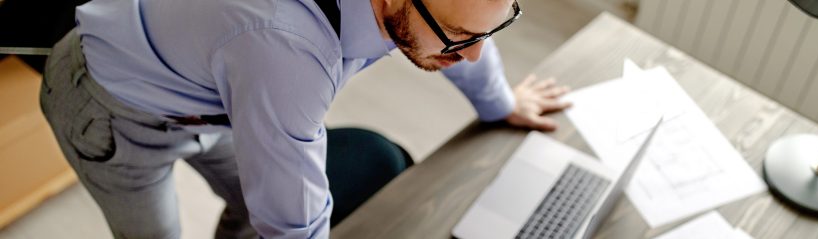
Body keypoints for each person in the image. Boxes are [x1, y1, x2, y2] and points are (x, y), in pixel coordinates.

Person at [40, 0, 572, 238]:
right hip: (108, 103)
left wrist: (499, 104)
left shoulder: (429, 14)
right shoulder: (288, 52)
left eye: (491, 31)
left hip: (213, 88)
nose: (474, 55)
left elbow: (462, 28)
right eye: (458, 39)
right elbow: (295, 221)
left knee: (256, 208)